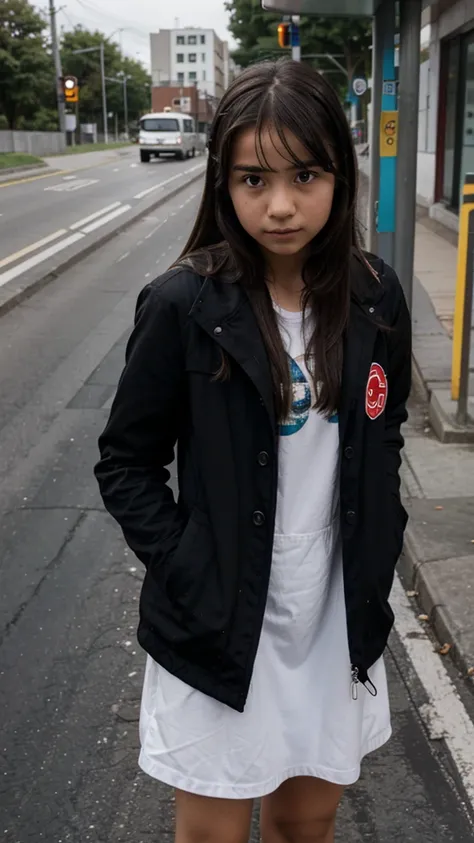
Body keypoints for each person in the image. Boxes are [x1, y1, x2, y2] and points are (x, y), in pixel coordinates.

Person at [95, 58, 411, 843]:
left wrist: (383, 538)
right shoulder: (184, 305)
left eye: (304, 175)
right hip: (220, 616)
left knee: (307, 821)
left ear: (341, 172)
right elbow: (124, 461)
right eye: (251, 179)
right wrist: (187, 562)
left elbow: (388, 426)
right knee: (212, 829)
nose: (278, 205)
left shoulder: (375, 297)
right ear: (222, 184)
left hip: (332, 615)